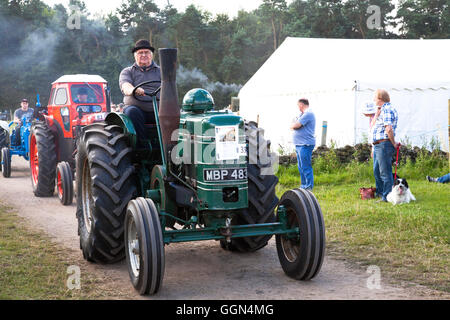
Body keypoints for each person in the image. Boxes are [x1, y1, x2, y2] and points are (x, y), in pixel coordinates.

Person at [119, 39, 161, 148]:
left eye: (146, 52)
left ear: (151, 55)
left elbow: (170, 87)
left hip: (158, 109)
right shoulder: (127, 71)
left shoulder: (161, 71)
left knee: (175, 114)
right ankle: (142, 147)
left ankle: (171, 146)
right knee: (132, 112)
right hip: (137, 110)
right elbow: (125, 86)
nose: (143, 55)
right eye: (140, 53)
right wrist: (134, 90)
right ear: (135, 56)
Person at [371, 89, 399, 202]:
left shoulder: (387, 109)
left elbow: (388, 128)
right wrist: (377, 114)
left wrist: (393, 143)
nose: (374, 100)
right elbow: (373, 126)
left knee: (385, 172)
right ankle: (382, 192)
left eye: (375, 98)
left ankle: (387, 197)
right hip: (379, 145)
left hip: (384, 144)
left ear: (380, 99)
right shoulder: (382, 110)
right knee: (377, 170)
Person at [290, 98, 316, 190]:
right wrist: (293, 125)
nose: (298, 107)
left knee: (305, 166)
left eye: (298, 105)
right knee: (301, 166)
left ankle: (308, 187)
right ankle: (303, 186)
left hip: (305, 144)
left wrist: (294, 125)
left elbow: (296, 125)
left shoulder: (308, 113)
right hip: (299, 144)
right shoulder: (302, 114)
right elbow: (292, 123)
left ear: (301, 104)